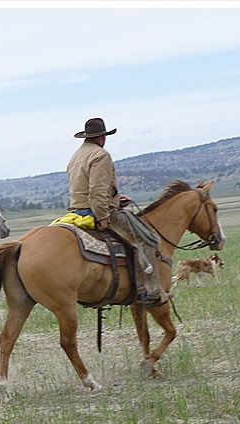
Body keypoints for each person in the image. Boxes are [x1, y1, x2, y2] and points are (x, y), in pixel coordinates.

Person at [66, 118, 169, 307]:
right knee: (147, 238)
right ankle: (151, 292)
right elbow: (96, 191)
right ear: (102, 137)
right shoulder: (100, 155)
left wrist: (116, 197)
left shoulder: (76, 156)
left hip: (76, 210)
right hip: (97, 211)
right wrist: (103, 217)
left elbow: (87, 188)